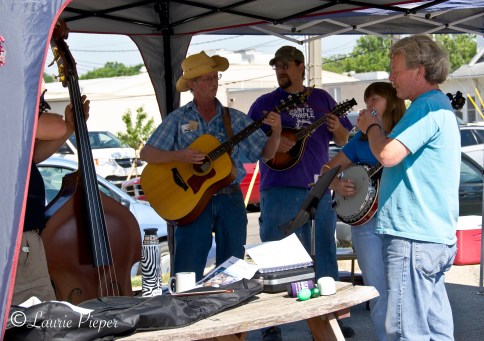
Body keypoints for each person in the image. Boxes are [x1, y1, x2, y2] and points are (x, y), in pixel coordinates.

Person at [140, 51, 281, 281]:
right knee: (187, 271)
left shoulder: (234, 118)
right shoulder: (178, 119)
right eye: (207, 79)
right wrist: (181, 156)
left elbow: (266, 154)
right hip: (192, 200)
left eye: (215, 78)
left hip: (230, 198)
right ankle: (188, 312)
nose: (213, 83)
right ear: (192, 85)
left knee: (233, 272)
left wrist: (276, 131)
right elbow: (147, 153)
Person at [247, 46, 353, 341]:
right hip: (278, 188)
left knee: (324, 253)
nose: (281, 70)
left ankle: (331, 319)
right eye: (276, 66)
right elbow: (252, 145)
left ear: (300, 66)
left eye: (285, 65)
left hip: (318, 186)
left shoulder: (321, 99)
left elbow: (344, 139)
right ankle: (271, 325)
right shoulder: (264, 104)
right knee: (276, 256)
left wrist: (338, 129)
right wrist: (275, 139)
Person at [357, 35, 459, 341]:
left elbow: (388, 154)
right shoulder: (435, 105)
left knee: (406, 332)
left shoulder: (426, 106)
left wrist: (372, 126)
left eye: (396, 69)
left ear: (420, 71)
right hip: (431, 238)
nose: (390, 77)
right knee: (437, 332)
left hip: (414, 239)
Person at [322, 82, 406, 341]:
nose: (368, 106)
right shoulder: (358, 141)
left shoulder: (404, 133)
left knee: (402, 291)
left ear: (391, 102)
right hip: (366, 225)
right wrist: (338, 184)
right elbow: (327, 171)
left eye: (375, 100)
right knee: (378, 290)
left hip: (401, 223)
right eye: (366, 101)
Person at [12, 86, 90, 305]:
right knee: (34, 314)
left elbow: (32, 157)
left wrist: (70, 128)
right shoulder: (8, 108)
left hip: (21, 234)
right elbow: (54, 126)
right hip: (18, 236)